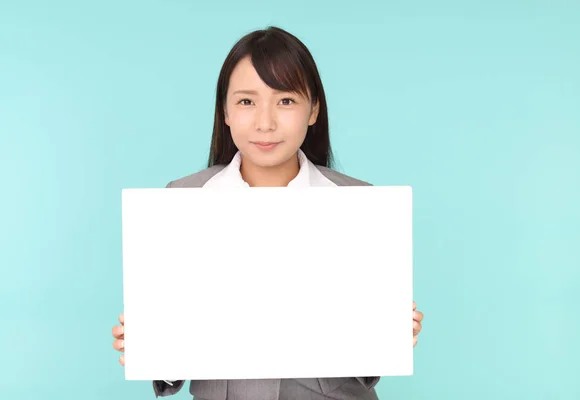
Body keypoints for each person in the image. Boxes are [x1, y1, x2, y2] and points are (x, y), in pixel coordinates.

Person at [111, 26, 424, 400]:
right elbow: (174, 359)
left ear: (314, 110)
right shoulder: (182, 200)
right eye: (246, 102)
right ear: (224, 111)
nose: (265, 122)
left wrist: (388, 333)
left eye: (286, 101)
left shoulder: (358, 202)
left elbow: (365, 367)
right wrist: (151, 341)